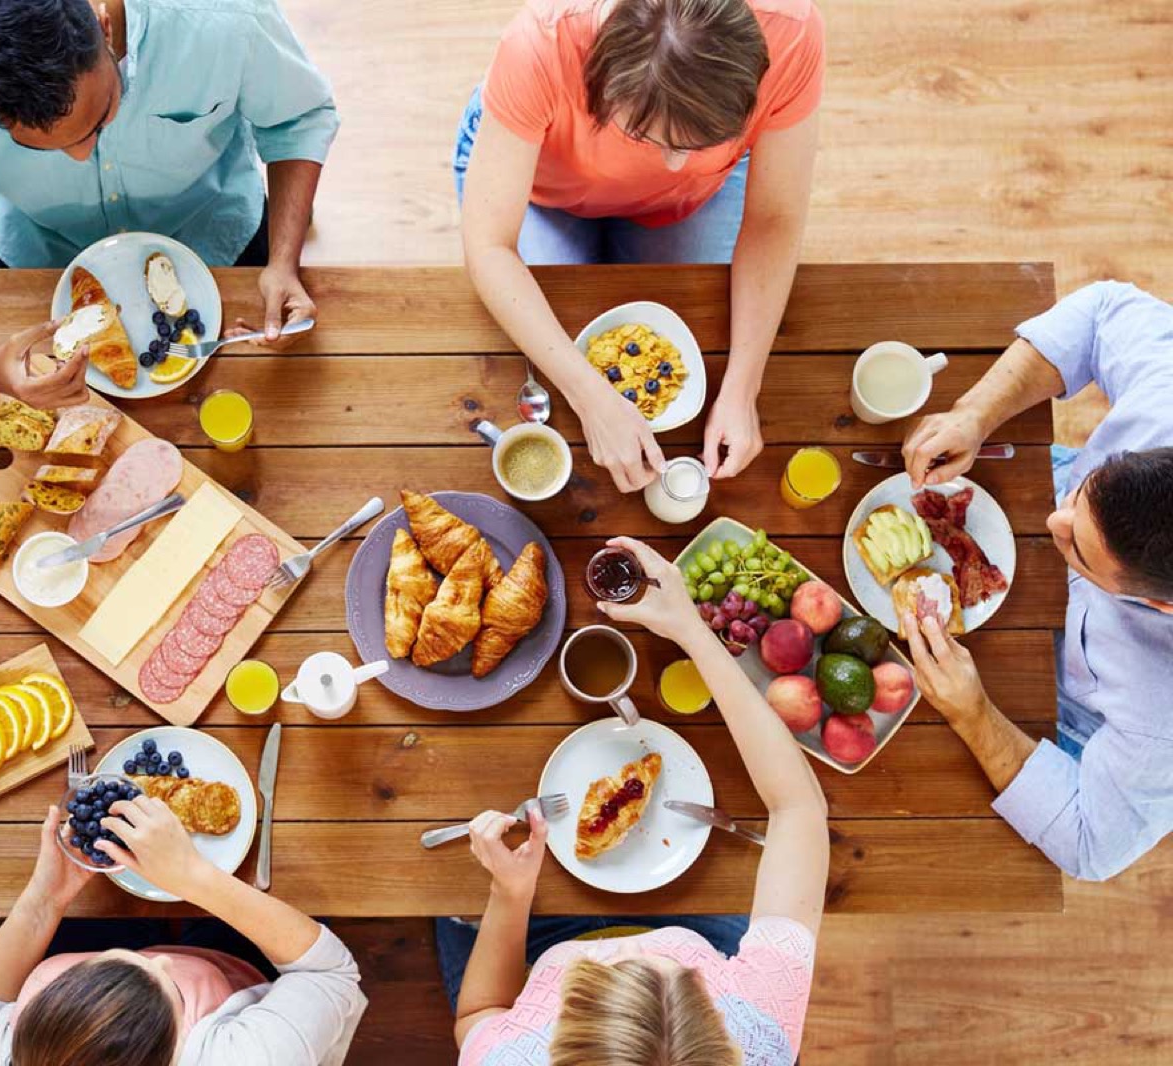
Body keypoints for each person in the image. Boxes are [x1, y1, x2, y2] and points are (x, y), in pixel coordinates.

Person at [443, 537, 829, 1065]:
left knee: (448, 908)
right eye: (678, 972)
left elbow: (478, 1014)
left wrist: (510, 892)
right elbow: (800, 810)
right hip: (703, 922)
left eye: (607, 968)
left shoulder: (503, 1056)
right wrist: (693, 631)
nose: (630, 944)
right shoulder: (760, 1030)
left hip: (532, 935)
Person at [0, 0, 340, 408]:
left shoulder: (219, 14)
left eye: (100, 116)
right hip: (29, 255)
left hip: (217, 232)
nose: (81, 154)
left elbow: (297, 119)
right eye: (39, 147)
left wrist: (282, 262)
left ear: (103, 26)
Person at [457, 0, 824, 492]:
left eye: (698, 144)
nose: (674, 167)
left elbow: (775, 217)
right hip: (542, 189)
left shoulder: (794, 32)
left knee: (697, 316)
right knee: (549, 324)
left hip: (696, 199)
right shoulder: (539, 45)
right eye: (648, 137)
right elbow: (488, 246)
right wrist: (591, 398)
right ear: (603, 77)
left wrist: (742, 388)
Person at [899, 280, 1173, 881]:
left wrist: (973, 714)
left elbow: (1088, 846)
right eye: (1082, 494)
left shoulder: (1162, 725)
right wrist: (975, 413)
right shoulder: (1166, 397)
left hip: (1055, 697)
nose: (1053, 521)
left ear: (1157, 603)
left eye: (1075, 544)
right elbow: (1103, 312)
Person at [0, 799, 367, 1064]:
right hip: (241, 977)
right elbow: (328, 973)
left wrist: (46, 900)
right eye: (170, 989)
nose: (159, 958)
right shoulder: (250, 1057)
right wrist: (193, 877)